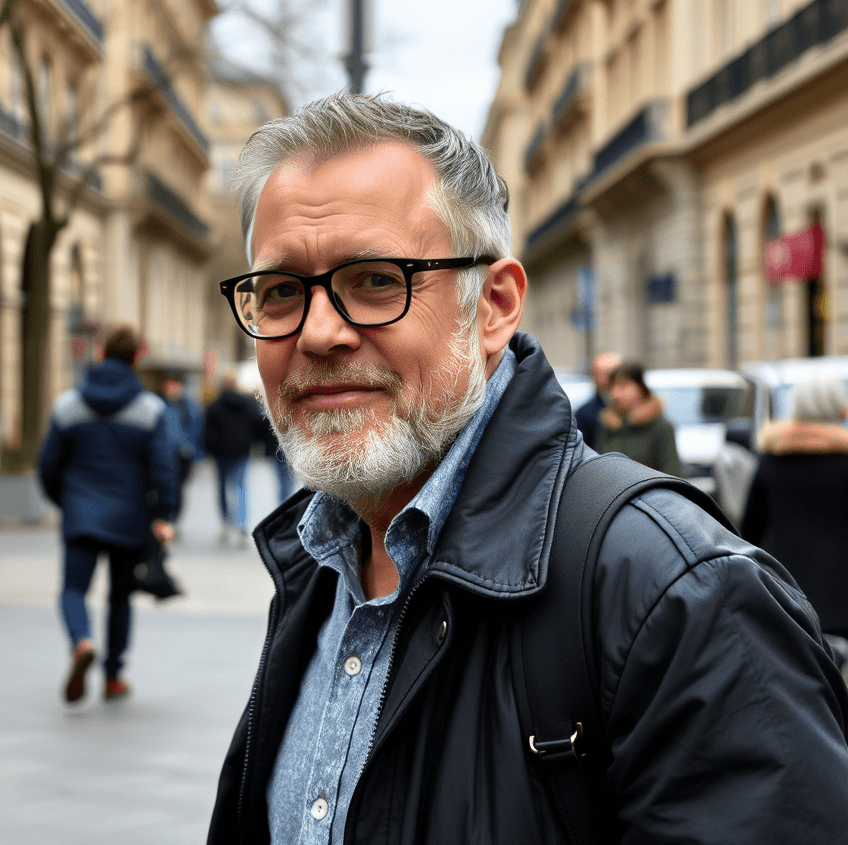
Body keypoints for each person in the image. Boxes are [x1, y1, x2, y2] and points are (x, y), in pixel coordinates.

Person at [208, 92, 848, 844]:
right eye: (281, 292)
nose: (319, 333)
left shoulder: (675, 593)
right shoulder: (317, 566)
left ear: (493, 306)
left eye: (376, 280)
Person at [38, 326, 179, 703]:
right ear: (136, 358)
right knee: (120, 597)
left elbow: (47, 465)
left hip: (80, 513)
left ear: (101, 353)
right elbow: (163, 468)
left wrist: (65, 500)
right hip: (129, 519)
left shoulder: (68, 405)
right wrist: (163, 513)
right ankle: (114, 676)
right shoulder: (149, 409)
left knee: (73, 589)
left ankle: (81, 641)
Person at [742, 375, 848, 641]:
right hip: (841, 591)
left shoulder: (772, 457)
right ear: (839, 407)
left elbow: (750, 527)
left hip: (783, 589)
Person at [595, 360, 683, 477]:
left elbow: (672, 473)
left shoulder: (660, 427)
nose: (615, 394)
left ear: (640, 388)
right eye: (612, 387)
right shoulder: (609, 425)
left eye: (623, 386)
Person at [204, 372, 261, 543]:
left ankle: (226, 523)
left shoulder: (214, 406)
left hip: (221, 453)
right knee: (241, 488)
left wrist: (210, 449)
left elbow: (207, 432)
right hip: (242, 452)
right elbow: (258, 424)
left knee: (222, 487)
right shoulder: (248, 404)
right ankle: (242, 525)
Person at [160, 375, 205, 521]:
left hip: (182, 454)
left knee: (178, 487)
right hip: (164, 453)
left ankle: (174, 517)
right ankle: (167, 515)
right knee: (167, 485)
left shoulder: (188, 406)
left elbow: (197, 428)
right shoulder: (160, 404)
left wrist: (192, 449)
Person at [573, 351, 618, 447]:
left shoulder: (636, 408)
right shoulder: (585, 414)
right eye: (601, 373)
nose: (606, 378)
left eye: (611, 373)